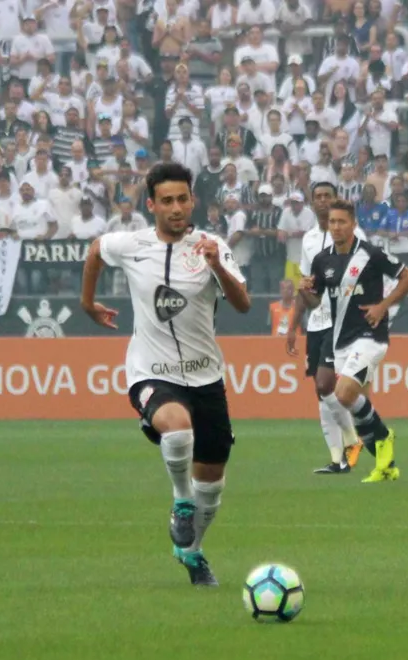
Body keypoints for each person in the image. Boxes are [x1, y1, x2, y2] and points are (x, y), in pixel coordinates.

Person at [79, 162, 250, 587]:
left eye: (183, 199)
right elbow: (96, 250)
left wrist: (219, 268)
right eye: (167, 201)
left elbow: (243, 303)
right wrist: (88, 303)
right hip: (150, 370)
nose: (176, 208)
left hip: (206, 376)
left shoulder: (213, 246)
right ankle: (180, 501)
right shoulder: (132, 244)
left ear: (193, 201)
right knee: (176, 430)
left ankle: (191, 553)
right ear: (151, 205)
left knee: (212, 484)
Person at [299, 199, 408, 484]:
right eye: (332, 222)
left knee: (344, 393)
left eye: (342, 222)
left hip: (369, 335)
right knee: (339, 394)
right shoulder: (322, 260)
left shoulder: (371, 254)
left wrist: (382, 306)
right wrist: (304, 292)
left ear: (353, 224)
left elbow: (407, 278)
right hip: (338, 337)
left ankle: (384, 437)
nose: (336, 227)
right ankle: (386, 464)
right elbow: (315, 303)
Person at [287, 182, 366, 474]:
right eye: (317, 197)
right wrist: (293, 325)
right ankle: (337, 459)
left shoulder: (355, 236)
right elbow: (307, 287)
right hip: (317, 323)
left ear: (336, 200)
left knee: (326, 385)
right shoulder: (307, 240)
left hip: (344, 322)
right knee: (321, 393)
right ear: (311, 203)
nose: (322, 201)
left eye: (327, 197)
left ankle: (354, 438)